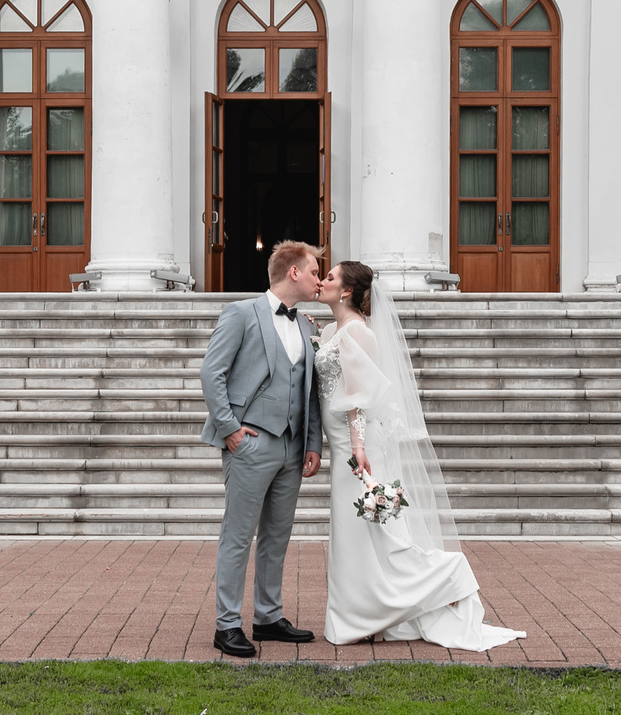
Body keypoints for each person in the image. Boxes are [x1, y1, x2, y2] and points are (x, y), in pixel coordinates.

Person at [309, 259, 524, 652]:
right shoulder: (332, 330)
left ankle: (447, 575)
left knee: (372, 529)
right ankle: (365, 611)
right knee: (355, 534)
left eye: (330, 277)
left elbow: (357, 397)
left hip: (356, 447)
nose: (322, 281)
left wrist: (358, 448)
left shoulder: (357, 331)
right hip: (341, 442)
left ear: (346, 291)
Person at [196, 238, 325, 659]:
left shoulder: (308, 326)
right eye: (314, 271)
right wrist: (230, 430)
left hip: (292, 448)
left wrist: (312, 442)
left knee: (277, 536)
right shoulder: (241, 313)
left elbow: (311, 391)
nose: (319, 279)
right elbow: (212, 373)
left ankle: (268, 617)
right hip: (250, 443)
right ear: (294, 272)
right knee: (238, 535)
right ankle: (227, 624)